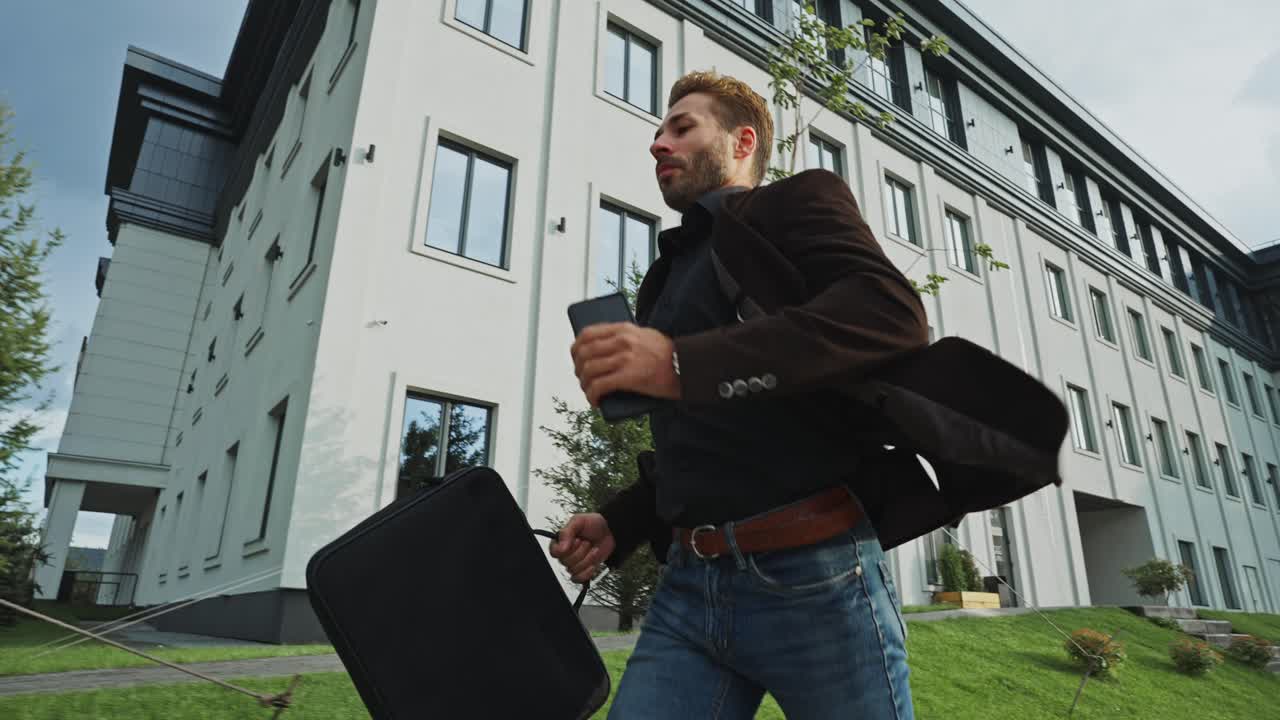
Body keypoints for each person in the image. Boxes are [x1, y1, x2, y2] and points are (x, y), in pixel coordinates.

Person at [552, 70, 928, 719]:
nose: (658, 144)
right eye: (657, 131)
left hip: (816, 579)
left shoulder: (796, 204)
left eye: (681, 127)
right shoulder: (663, 284)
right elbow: (706, 442)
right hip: (689, 592)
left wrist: (678, 361)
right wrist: (624, 519)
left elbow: (890, 316)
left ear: (742, 140)